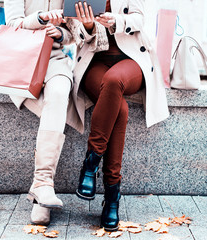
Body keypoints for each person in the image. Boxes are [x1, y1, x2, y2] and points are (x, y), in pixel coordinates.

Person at [67, 0, 170, 231]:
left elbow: (140, 19)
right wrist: (89, 26)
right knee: (119, 109)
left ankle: (90, 164)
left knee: (114, 81)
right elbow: (74, 32)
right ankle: (112, 195)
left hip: (131, 60)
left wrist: (117, 21)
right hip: (95, 61)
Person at [4, 0, 77, 226]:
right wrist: (42, 18)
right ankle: (42, 194)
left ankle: (42, 183)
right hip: (22, 60)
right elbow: (12, 24)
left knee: (60, 91)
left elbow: (73, 33)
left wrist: (60, 33)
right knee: (54, 108)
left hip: (54, 59)